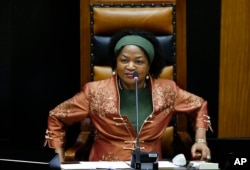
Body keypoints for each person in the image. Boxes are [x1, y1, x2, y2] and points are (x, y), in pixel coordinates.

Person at [44, 29, 213, 163]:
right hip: (105, 166)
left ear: (149, 66)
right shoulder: (94, 92)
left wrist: (201, 141)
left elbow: (199, 105)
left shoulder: (168, 91)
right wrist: (58, 153)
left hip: (150, 166)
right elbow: (57, 116)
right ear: (115, 63)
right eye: (124, 60)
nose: (130, 67)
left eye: (139, 62)